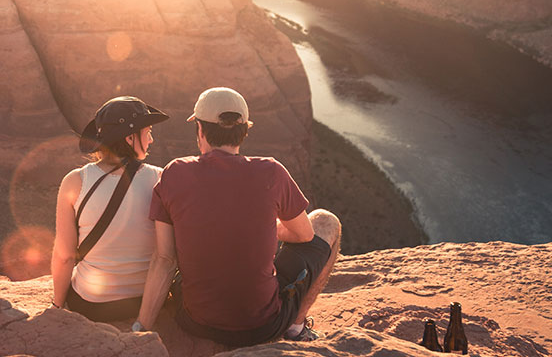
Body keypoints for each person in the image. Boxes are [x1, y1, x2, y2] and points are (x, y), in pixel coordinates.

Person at [133, 87, 341, 345]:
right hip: (262, 326)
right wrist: (267, 227)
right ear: (244, 131)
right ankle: (296, 328)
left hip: (194, 321)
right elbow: (305, 235)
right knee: (326, 221)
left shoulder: (174, 173)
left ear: (200, 129)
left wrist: (141, 330)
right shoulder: (272, 172)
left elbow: (164, 258)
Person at [50, 96, 169, 321]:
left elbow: (65, 256)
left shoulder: (75, 181)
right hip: (143, 301)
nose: (151, 139)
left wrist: (57, 306)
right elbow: (167, 254)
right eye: (148, 132)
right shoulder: (161, 178)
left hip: (91, 304)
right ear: (130, 137)